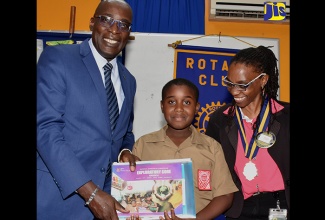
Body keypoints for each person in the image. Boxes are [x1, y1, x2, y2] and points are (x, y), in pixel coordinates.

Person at [37, 0, 139, 219]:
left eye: (123, 24)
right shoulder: (58, 58)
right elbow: (45, 130)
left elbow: (124, 134)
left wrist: (125, 151)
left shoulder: (129, 81)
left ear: (129, 33)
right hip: (56, 201)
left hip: (108, 203)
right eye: (107, 20)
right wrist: (91, 194)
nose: (114, 29)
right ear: (92, 22)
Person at [131, 78, 239, 220]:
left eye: (186, 102)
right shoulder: (143, 144)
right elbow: (132, 192)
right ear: (162, 106)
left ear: (197, 107)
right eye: (171, 102)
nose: (179, 108)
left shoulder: (212, 147)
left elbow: (225, 195)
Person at [205, 46, 290, 220]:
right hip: (240, 207)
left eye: (243, 85)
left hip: (281, 205)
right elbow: (210, 167)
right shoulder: (219, 120)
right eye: (229, 83)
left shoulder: (286, 116)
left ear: (263, 80)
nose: (235, 91)